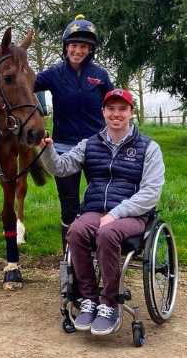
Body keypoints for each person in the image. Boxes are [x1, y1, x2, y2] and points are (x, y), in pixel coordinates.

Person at [39, 88, 165, 335]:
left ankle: (109, 303)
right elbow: (61, 168)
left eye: (122, 109)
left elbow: (151, 192)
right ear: (103, 112)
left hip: (132, 214)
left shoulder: (148, 148)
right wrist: (46, 149)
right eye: (111, 109)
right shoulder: (90, 144)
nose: (116, 114)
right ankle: (89, 299)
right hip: (95, 210)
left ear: (131, 112)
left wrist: (116, 214)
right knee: (75, 231)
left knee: (107, 233)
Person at [34, 15, 113, 250]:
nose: (78, 50)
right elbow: (23, 84)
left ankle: (102, 255)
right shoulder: (54, 73)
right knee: (69, 206)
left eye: (83, 46)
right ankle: (70, 261)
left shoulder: (100, 75)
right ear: (66, 47)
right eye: (73, 45)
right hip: (64, 148)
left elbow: (112, 106)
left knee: (101, 203)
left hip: (98, 146)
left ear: (90, 49)